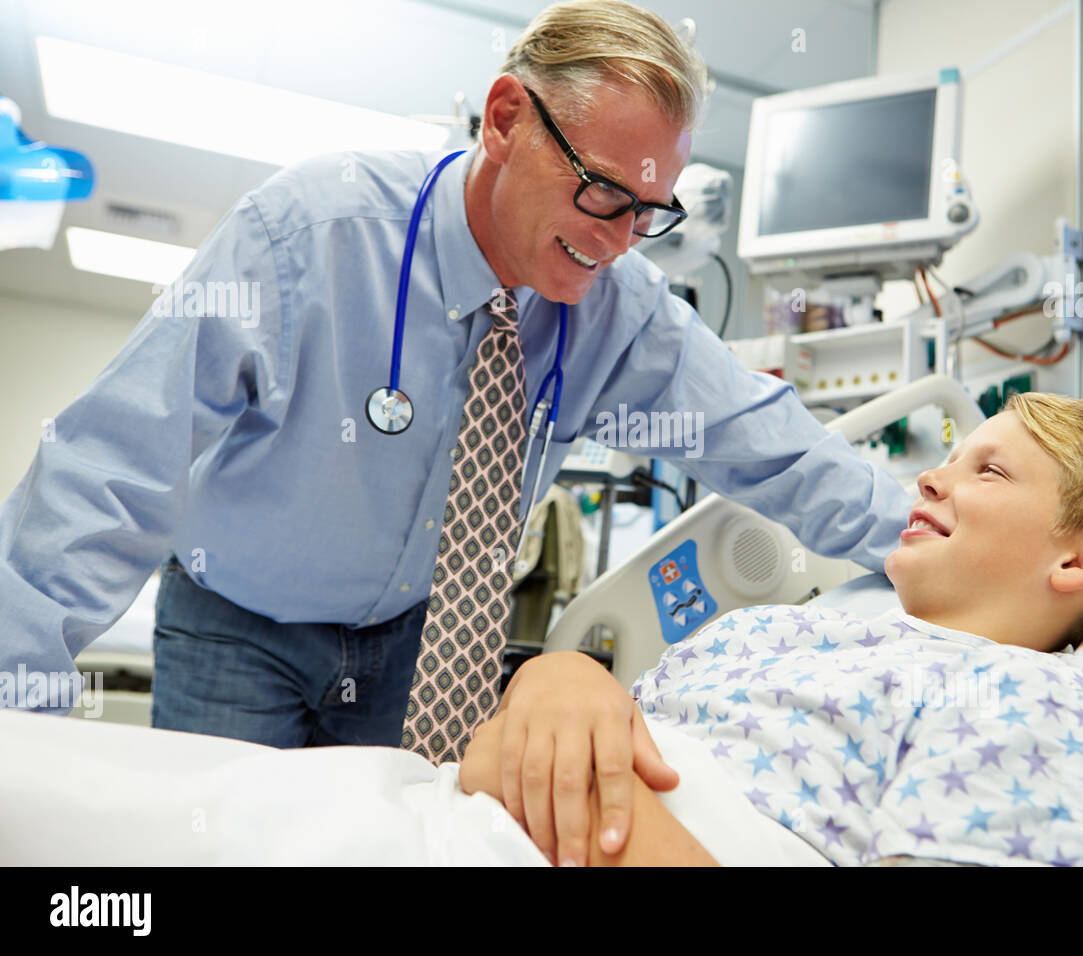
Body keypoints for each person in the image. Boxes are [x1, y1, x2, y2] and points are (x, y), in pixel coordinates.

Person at [0, 0, 912, 867]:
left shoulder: (622, 314)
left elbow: (780, 447)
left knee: (403, 853)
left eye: (649, 210)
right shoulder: (308, 238)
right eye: (602, 194)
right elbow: (114, 466)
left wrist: (945, 550)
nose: (624, 240)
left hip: (419, 644)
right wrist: (15, 713)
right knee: (225, 850)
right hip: (239, 627)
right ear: (507, 118)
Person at [458, 392, 1083, 865]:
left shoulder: (1031, 698)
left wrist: (583, 807)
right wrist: (560, 675)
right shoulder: (766, 631)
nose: (930, 478)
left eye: (990, 471)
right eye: (948, 457)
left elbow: (540, 771)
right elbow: (508, 746)